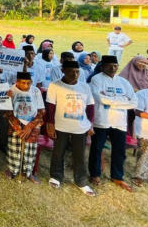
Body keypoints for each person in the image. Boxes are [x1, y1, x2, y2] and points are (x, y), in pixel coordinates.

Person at [47, 60, 96, 196]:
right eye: (70, 71)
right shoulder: (55, 85)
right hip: (61, 125)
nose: (74, 74)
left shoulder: (85, 87)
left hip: (81, 126)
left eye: (77, 72)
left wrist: (91, 124)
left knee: (79, 155)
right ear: (63, 71)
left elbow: (90, 107)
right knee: (58, 152)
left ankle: (80, 180)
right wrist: (50, 124)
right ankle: (56, 176)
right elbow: (50, 107)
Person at [88, 55, 137, 192]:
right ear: (102, 66)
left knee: (119, 151)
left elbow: (134, 102)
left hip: (119, 122)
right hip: (102, 120)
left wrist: (111, 100)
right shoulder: (96, 79)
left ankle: (117, 176)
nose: (113, 68)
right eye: (109, 65)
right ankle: (95, 174)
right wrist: (122, 100)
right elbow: (99, 98)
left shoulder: (123, 82)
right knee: (97, 149)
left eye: (115, 66)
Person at [3, 72, 45, 184]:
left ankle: (28, 172)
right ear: (17, 82)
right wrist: (18, 128)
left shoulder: (35, 91)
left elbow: (41, 111)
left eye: (28, 83)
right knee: (14, 148)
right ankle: (12, 170)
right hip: (15, 124)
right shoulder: (10, 91)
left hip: (32, 124)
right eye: (23, 83)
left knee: (30, 150)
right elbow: (7, 111)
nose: (26, 86)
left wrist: (29, 128)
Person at [133, 84, 148, 187]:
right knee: (144, 153)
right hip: (144, 129)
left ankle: (141, 174)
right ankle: (138, 176)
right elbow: (137, 111)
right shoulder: (143, 94)